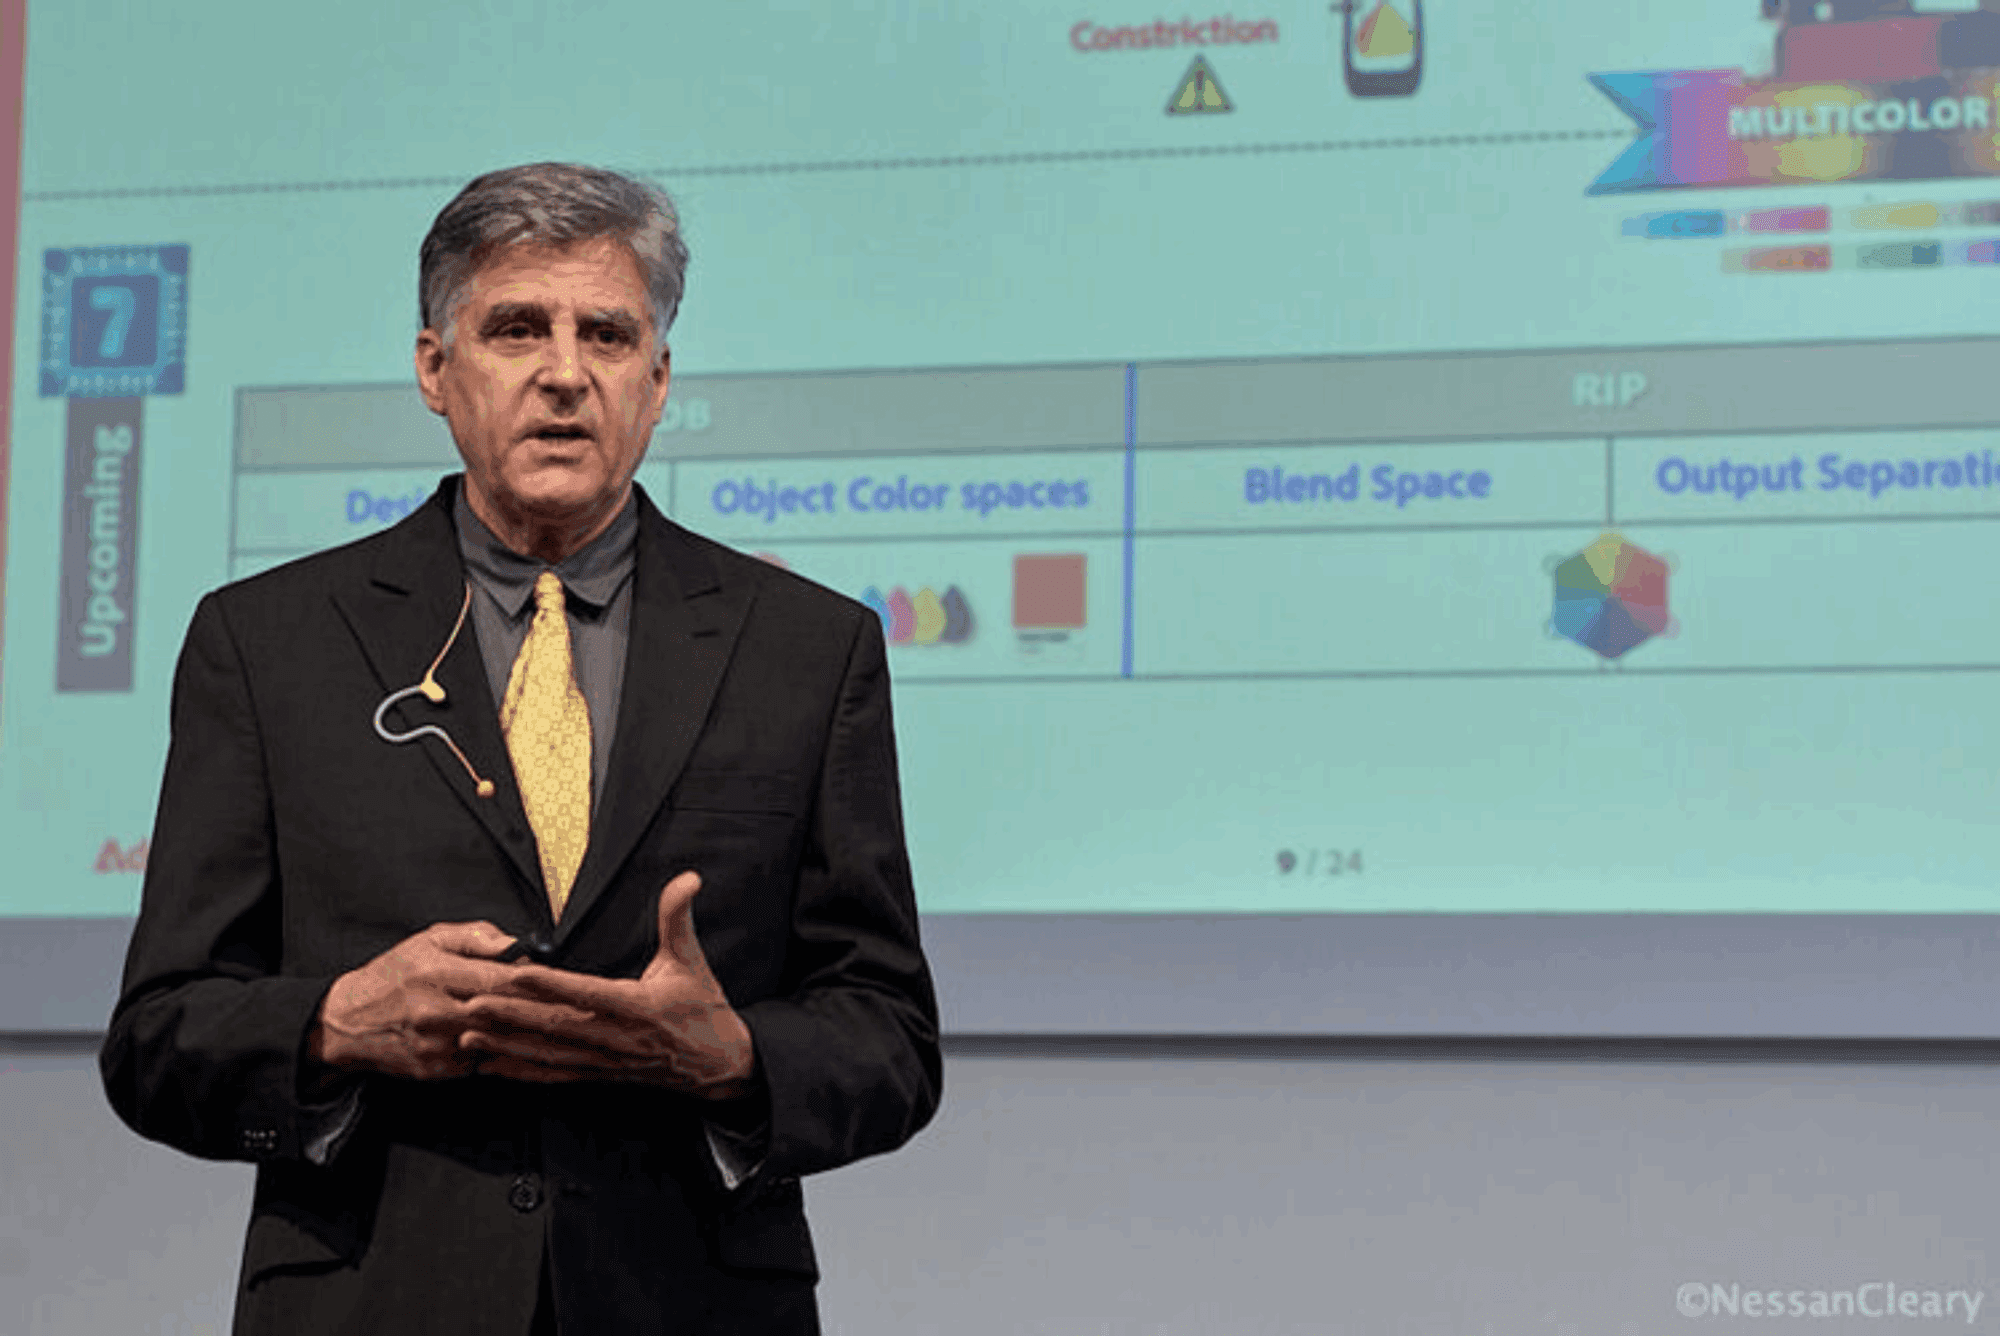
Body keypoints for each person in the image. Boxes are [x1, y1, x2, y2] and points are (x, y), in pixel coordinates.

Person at [99, 162, 942, 1336]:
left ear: (657, 381)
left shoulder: (805, 648)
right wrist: (338, 1022)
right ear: (434, 370)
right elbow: (156, 1039)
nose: (564, 372)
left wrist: (733, 1054)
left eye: (607, 334)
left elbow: (891, 1038)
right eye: (514, 329)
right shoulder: (268, 643)